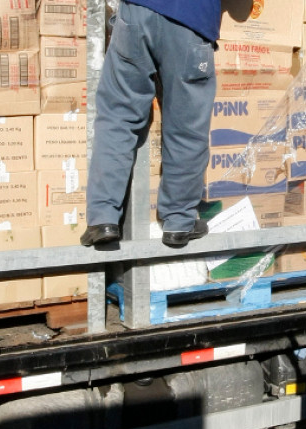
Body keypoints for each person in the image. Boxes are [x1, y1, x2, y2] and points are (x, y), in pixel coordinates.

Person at [82, 0, 221, 248]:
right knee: (186, 128)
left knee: (118, 117)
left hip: (137, 11)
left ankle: (103, 218)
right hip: (191, 20)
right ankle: (179, 221)